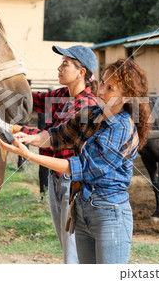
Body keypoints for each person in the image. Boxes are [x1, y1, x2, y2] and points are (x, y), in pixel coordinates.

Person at [0, 59, 151, 264]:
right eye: (102, 83)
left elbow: (80, 167)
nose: (101, 91)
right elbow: (58, 136)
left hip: (109, 214)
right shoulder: (93, 114)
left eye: (110, 88)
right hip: (81, 208)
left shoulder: (121, 128)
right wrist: (26, 138)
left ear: (127, 96)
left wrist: (30, 156)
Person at [9, 45, 98, 264]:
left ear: (81, 72)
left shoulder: (86, 105)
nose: (59, 68)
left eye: (65, 64)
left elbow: (56, 138)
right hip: (56, 177)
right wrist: (8, 83)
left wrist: (17, 130)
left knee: (72, 249)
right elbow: (31, 100)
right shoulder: (60, 95)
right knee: (66, 244)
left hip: (72, 180)